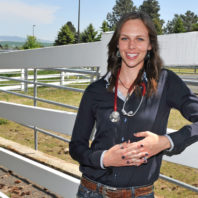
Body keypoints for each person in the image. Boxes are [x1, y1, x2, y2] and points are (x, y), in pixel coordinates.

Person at [69, 11, 198, 198]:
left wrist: (165, 142)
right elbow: (76, 146)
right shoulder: (95, 91)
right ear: (117, 43)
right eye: (125, 38)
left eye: (139, 39)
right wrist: (104, 158)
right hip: (92, 191)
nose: (131, 46)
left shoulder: (166, 82)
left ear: (150, 45)